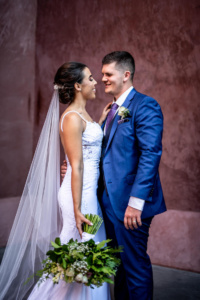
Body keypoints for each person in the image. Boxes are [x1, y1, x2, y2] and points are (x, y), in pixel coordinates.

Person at [0, 62, 111, 300]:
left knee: (83, 258)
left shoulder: (83, 114)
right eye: (90, 78)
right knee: (79, 259)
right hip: (79, 195)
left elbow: (87, 147)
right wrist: (78, 208)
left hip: (87, 192)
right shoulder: (71, 117)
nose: (95, 82)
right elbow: (77, 164)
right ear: (78, 86)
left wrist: (100, 124)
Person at [61, 51, 167, 300]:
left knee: (135, 268)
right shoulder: (112, 111)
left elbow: (150, 155)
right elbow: (103, 154)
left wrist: (136, 203)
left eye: (108, 74)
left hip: (130, 206)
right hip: (105, 204)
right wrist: (74, 167)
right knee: (116, 269)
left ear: (126, 75)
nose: (102, 79)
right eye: (101, 74)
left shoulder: (145, 105)